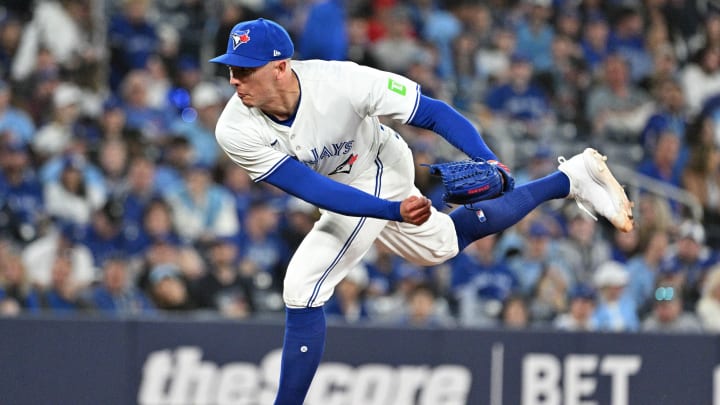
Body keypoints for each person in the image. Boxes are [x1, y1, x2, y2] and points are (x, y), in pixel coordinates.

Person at [209, 18, 634, 405]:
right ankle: (570, 178)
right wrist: (392, 211)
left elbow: (431, 111)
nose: (234, 80)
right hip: (343, 190)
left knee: (302, 286)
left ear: (281, 66)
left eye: (246, 69)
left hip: (378, 163)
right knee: (442, 245)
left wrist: (490, 161)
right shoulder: (235, 127)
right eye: (231, 68)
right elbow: (311, 187)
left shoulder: (341, 80)